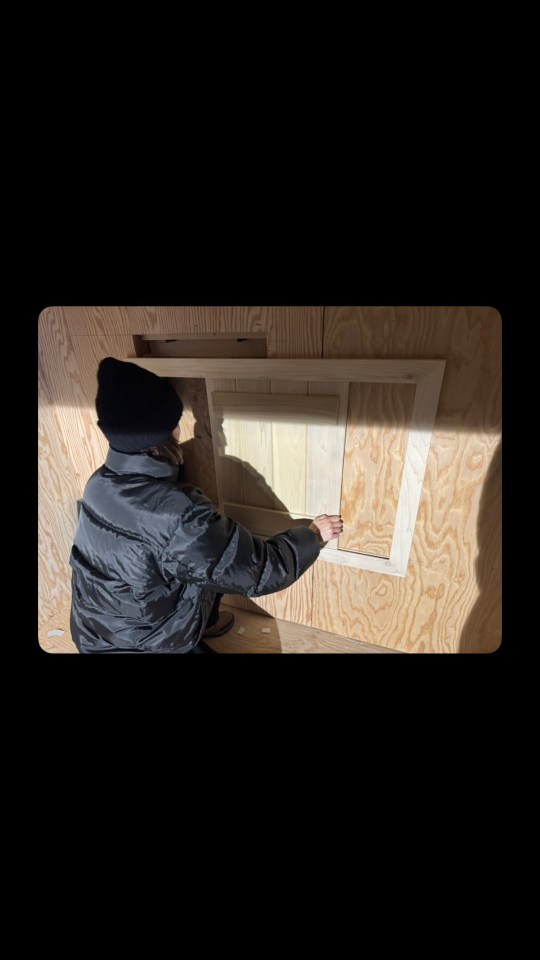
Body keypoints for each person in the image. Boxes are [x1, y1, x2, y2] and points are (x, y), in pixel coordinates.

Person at [69, 358, 343, 654]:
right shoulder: (178, 517)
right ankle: (195, 631)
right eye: (174, 421)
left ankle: (203, 624)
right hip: (146, 646)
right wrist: (312, 536)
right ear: (162, 432)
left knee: (200, 560)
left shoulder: (98, 483)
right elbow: (258, 570)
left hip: (94, 634)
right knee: (205, 557)